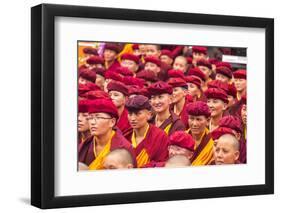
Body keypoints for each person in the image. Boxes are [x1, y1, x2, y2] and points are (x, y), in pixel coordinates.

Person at [78, 98, 135, 169]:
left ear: (112, 122)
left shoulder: (124, 147)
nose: (92, 122)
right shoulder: (84, 146)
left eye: (98, 117)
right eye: (90, 118)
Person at [125, 95, 169, 168]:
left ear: (149, 115)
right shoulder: (126, 136)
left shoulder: (160, 136)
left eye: (137, 114)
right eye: (130, 114)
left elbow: (162, 164)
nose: (132, 118)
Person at [186, 101, 214, 166]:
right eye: (191, 119)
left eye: (198, 119)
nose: (194, 124)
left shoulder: (212, 142)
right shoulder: (181, 139)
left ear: (208, 121)